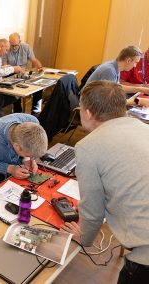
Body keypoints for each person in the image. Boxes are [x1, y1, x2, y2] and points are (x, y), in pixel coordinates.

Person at [60, 80, 149, 283]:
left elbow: (92, 211)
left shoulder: (88, 146)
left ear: (88, 113)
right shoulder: (142, 127)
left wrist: (84, 238)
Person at [0, 113, 48, 187]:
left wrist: (27, 159)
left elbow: (29, 149)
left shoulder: (33, 122)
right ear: (17, 146)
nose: (32, 158)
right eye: (29, 155)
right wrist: (11, 169)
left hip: (17, 159)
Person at [4, 32, 43, 114]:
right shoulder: (6, 48)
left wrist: (40, 68)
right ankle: (18, 111)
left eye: (16, 45)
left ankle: (35, 111)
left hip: (23, 73)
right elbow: (3, 66)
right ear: (9, 42)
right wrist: (14, 69)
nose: (14, 47)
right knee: (15, 89)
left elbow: (34, 60)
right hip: (10, 74)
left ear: (20, 41)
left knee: (38, 86)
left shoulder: (26, 47)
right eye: (12, 45)